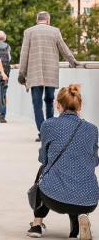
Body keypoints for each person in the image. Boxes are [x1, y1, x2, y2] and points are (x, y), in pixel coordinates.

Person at [26, 84, 99, 239]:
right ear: (80, 107)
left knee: (43, 171)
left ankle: (37, 225)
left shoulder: (48, 125)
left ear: (57, 105)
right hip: (88, 200)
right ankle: (77, 227)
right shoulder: (92, 129)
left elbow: (43, 159)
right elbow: (94, 160)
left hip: (54, 199)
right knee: (77, 176)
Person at [19, 11, 79, 142]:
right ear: (48, 20)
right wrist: (72, 61)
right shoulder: (55, 31)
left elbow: (24, 54)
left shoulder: (29, 32)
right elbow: (63, 48)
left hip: (34, 73)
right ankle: (50, 131)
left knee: (37, 103)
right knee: (49, 101)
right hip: (51, 72)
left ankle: (42, 132)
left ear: (37, 20)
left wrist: (22, 73)